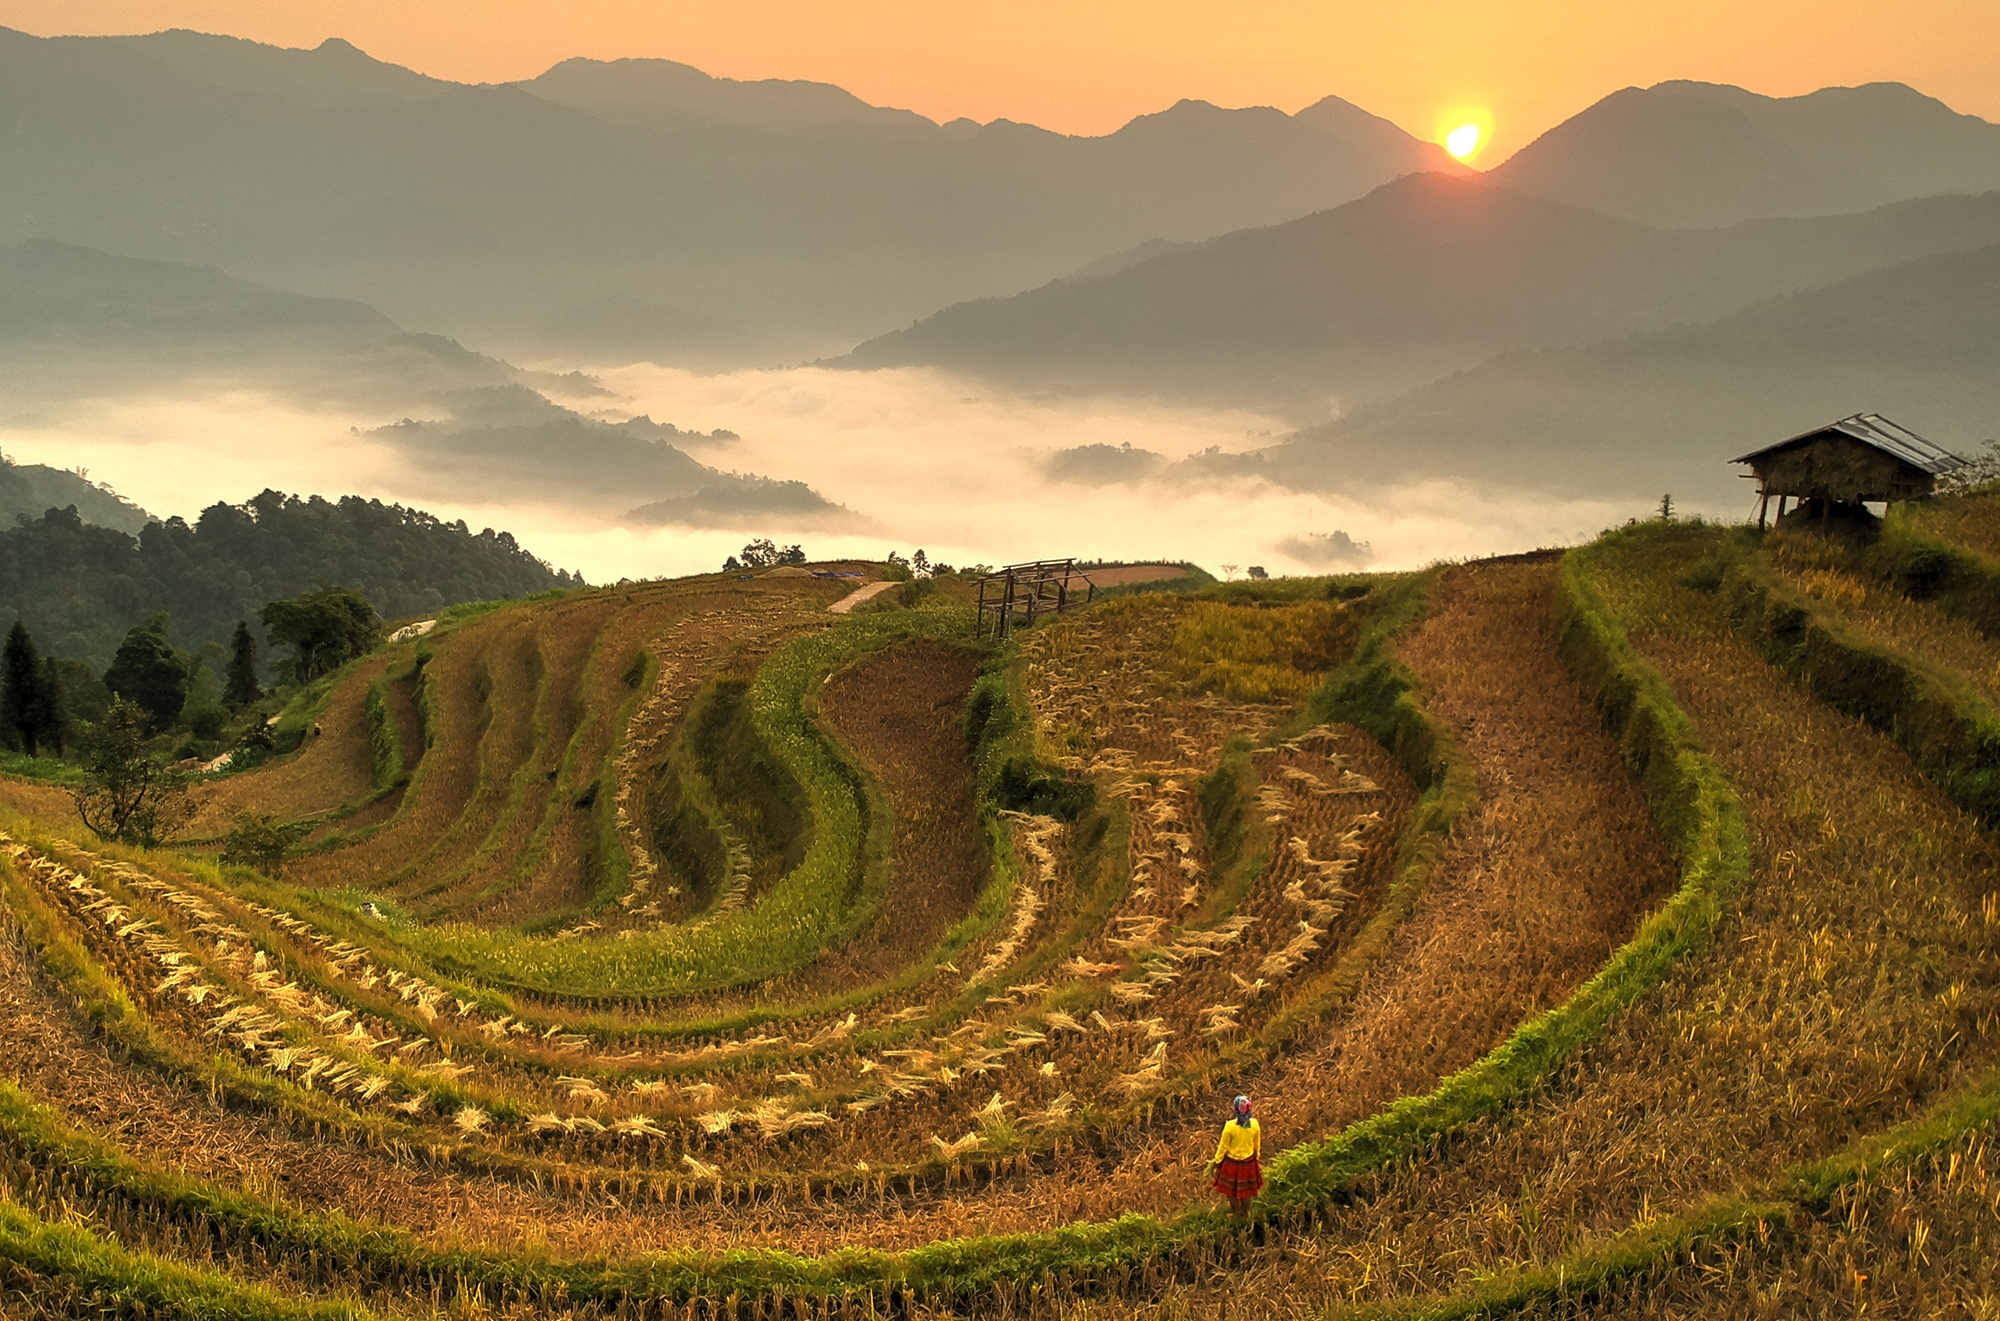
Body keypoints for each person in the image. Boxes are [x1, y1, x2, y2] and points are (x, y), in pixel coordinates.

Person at [1209, 1094, 1262, 1219]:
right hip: (1248, 1162)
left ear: (1235, 1110)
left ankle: (1237, 1214)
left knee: (1231, 1193)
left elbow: (1223, 1146)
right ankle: (1245, 1213)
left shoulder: (1230, 1127)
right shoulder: (1254, 1124)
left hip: (1232, 1163)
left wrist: (1217, 1160)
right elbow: (1257, 1143)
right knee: (1246, 1191)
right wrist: (1257, 1156)